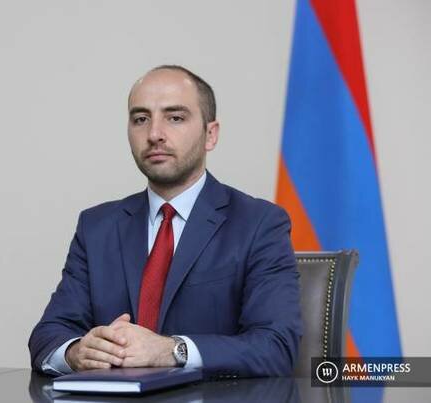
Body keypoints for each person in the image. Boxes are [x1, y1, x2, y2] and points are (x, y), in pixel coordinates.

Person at [29, 65, 302, 379]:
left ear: (210, 134)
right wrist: (77, 352)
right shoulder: (96, 227)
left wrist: (172, 350)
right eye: (140, 119)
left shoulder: (259, 223)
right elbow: (48, 334)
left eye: (175, 118)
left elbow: (276, 346)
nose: (154, 134)